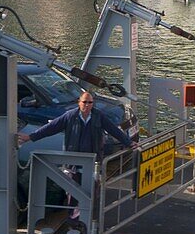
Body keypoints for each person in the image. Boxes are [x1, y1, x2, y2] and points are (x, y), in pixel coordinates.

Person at [16, 92, 132, 224]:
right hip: (73, 163)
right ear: (79, 102)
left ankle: (86, 221)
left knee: (92, 192)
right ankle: (74, 223)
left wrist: (129, 143)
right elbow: (50, 128)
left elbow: (114, 130)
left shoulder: (98, 116)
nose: (87, 105)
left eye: (90, 103)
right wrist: (30, 137)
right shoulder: (70, 116)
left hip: (92, 161)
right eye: (84, 102)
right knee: (73, 194)